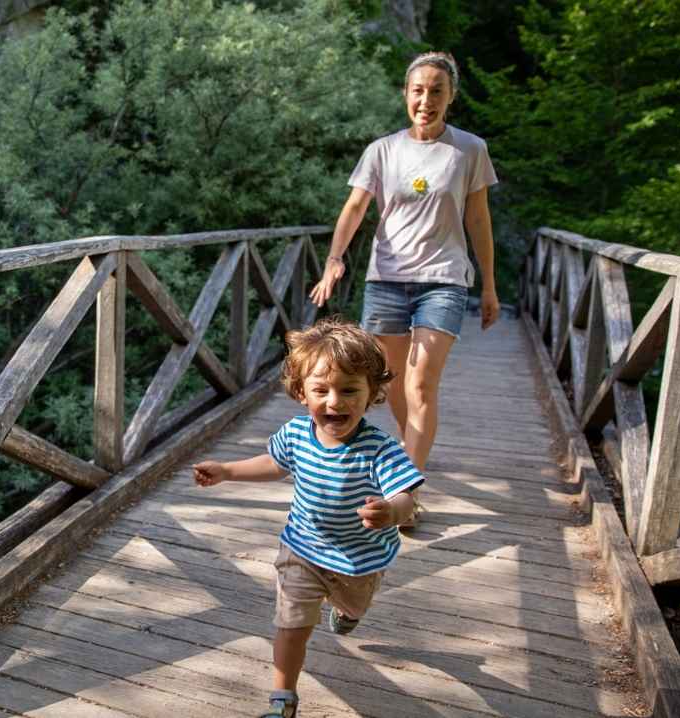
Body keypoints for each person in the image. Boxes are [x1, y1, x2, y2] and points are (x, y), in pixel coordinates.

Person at [192, 318, 424, 718]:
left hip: (358, 560)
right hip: (301, 548)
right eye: (321, 390)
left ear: (373, 393)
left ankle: (346, 612)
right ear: (302, 393)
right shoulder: (297, 434)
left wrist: (392, 512)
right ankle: (283, 699)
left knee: (354, 608)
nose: (335, 402)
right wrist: (229, 470)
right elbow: (273, 464)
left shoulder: (379, 449)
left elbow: (407, 495)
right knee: (291, 623)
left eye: (350, 390)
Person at [308, 51, 499, 526]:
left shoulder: (470, 150)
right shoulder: (382, 150)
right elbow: (355, 208)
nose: (426, 100)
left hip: (444, 280)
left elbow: (478, 218)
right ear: (406, 94)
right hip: (387, 280)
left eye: (437, 91)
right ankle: (411, 441)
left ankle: (406, 495)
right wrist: (335, 260)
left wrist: (490, 284)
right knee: (389, 383)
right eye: (418, 90)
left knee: (420, 382)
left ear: (451, 96)